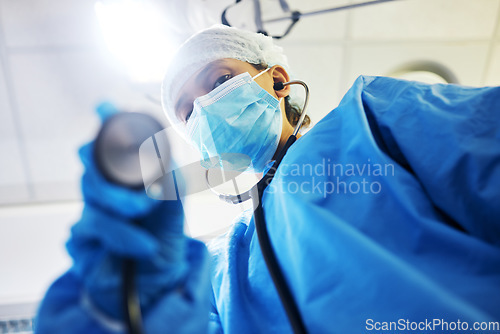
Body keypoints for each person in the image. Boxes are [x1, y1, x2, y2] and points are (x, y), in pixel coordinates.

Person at [35, 25, 500, 334]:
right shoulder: (222, 265)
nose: (205, 109)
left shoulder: (372, 116)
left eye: (218, 81)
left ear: (277, 80)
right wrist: (122, 304)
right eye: (187, 113)